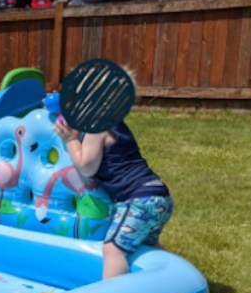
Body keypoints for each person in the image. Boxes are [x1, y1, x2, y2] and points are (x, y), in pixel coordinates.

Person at [53, 105, 172, 280]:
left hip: (138, 200)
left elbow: (87, 167)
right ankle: (177, 277)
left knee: (113, 248)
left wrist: (71, 139)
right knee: (146, 245)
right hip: (158, 196)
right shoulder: (114, 124)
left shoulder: (97, 128)